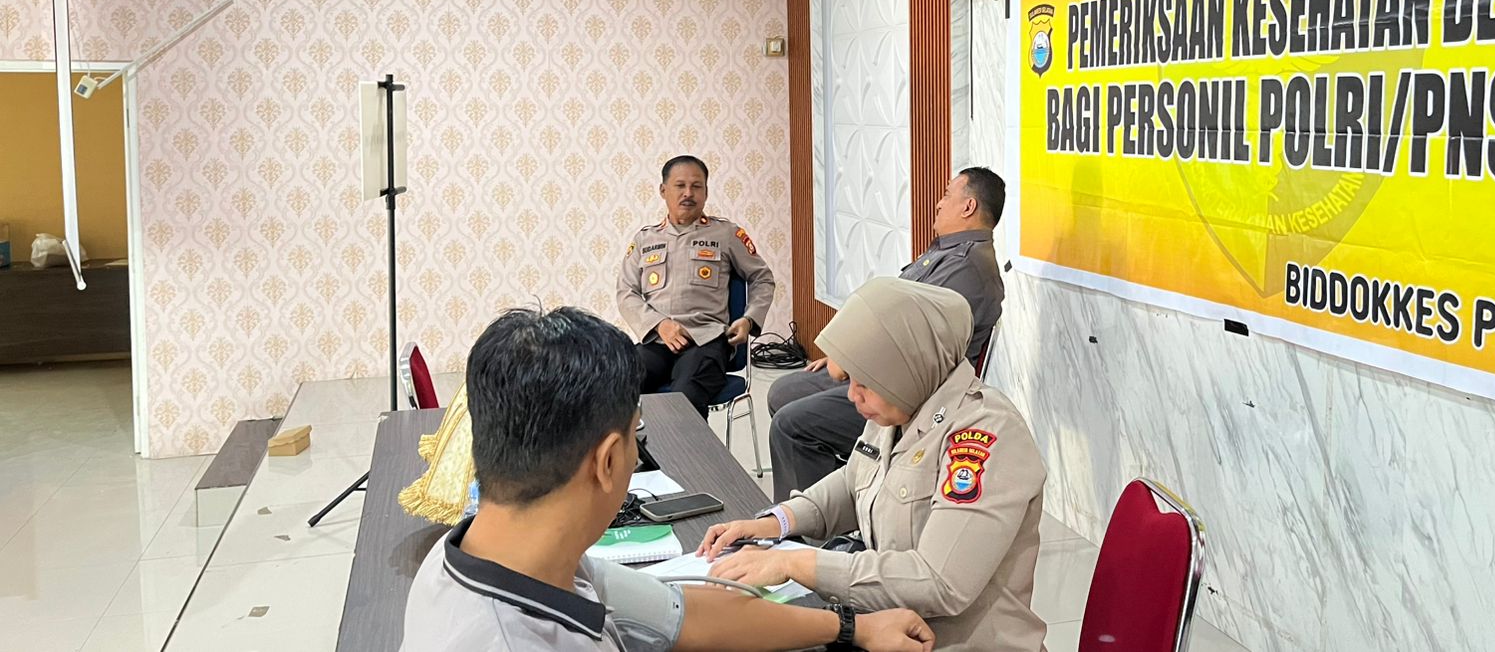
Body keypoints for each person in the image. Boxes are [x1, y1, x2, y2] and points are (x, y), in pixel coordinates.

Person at [400, 305, 935, 652]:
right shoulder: (510, 638)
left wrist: (853, 627)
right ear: (608, 462)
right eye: (637, 435)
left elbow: (681, 616)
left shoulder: (515, 553)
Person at [697, 279, 1047, 652]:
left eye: (865, 382)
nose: (853, 395)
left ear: (906, 367)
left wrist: (797, 564)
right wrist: (776, 522)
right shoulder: (902, 404)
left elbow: (939, 582)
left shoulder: (985, 436)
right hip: (889, 630)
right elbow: (854, 482)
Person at [766, 167, 1006, 501]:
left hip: (908, 396)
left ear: (968, 207)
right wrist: (845, 355)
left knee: (791, 425)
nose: (938, 203)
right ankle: (853, 489)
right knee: (783, 391)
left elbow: (909, 345)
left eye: (947, 195)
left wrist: (850, 364)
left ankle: (809, 524)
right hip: (881, 374)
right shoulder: (948, 253)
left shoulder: (968, 268)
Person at [617, 155, 776, 417]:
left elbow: (762, 278)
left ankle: (682, 447)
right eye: (680, 186)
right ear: (663, 191)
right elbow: (626, 292)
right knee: (618, 384)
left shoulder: (726, 234)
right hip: (657, 341)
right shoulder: (645, 239)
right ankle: (636, 445)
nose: (688, 193)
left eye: (696, 186)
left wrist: (749, 320)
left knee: (685, 397)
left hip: (707, 341)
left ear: (706, 192)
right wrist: (659, 324)